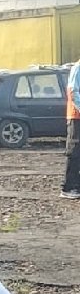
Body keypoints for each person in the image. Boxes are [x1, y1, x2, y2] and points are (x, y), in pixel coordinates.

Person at [62, 59, 80, 199]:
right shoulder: (78, 68)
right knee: (75, 150)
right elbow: (73, 92)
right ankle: (69, 187)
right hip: (76, 116)